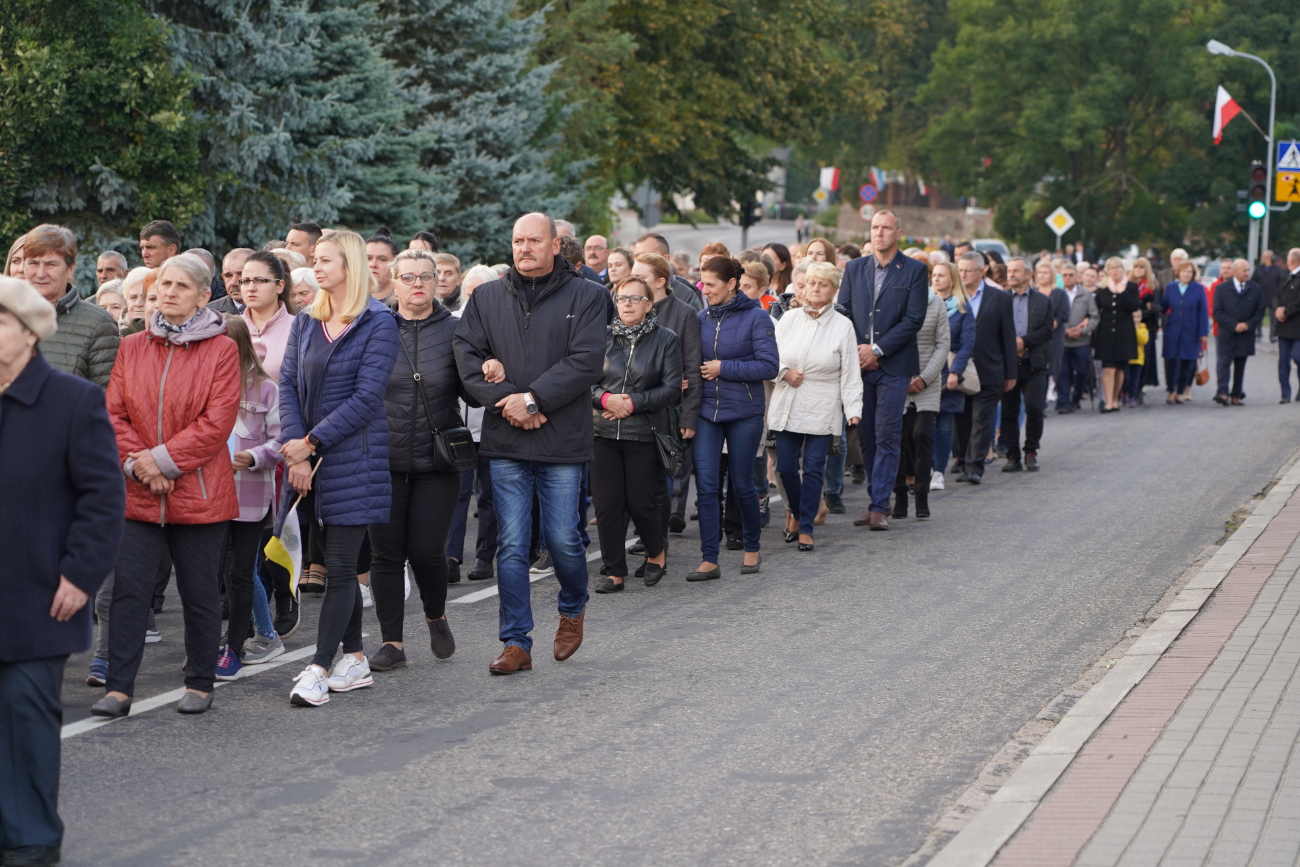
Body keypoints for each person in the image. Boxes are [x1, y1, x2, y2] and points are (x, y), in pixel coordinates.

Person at [0, 277, 124, 867]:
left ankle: (31, 838)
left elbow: (102, 498)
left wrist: (80, 575)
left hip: (41, 593)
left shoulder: (72, 401)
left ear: (29, 332)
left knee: (25, 716)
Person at [454, 213, 607, 675]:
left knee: (563, 539)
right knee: (513, 545)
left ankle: (572, 605)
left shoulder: (590, 296)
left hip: (562, 439)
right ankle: (516, 642)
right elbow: (466, 358)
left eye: (534, 241)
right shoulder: (486, 297)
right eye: (518, 240)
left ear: (556, 245)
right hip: (505, 441)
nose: (524, 248)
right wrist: (507, 402)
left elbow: (586, 363)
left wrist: (533, 399)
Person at [92, 253, 241, 719]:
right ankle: (119, 687)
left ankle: (199, 681)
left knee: (198, 592)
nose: (169, 293)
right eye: (163, 286)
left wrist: (159, 461)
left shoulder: (222, 349)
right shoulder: (133, 345)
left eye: (181, 286)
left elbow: (216, 423)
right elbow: (113, 413)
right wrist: (140, 467)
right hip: (137, 491)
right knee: (128, 592)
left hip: (198, 492)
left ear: (202, 294)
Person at [276, 229, 398, 706]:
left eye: (325, 259)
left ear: (349, 265)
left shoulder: (377, 322)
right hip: (309, 458)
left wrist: (311, 443)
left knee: (341, 568)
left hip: (354, 460)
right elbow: (288, 383)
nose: (315, 266)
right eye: (314, 259)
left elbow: (367, 398)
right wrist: (295, 444)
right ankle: (356, 657)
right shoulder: (307, 320)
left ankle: (318, 667)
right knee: (329, 560)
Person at [366, 249, 467, 672]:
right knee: (386, 554)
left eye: (427, 276)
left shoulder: (458, 331)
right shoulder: (374, 327)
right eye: (408, 278)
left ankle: (436, 615)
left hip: (436, 460)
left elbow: (474, 388)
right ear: (395, 281)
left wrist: (494, 370)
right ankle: (392, 642)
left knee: (427, 552)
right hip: (382, 459)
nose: (419, 284)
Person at [589, 275, 682, 592]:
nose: (626, 303)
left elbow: (671, 391)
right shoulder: (600, 337)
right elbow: (584, 381)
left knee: (642, 502)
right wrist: (604, 399)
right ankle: (614, 570)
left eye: (634, 298)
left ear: (649, 304)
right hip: (601, 433)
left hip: (643, 432)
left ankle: (656, 553)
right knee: (606, 505)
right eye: (621, 298)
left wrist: (632, 403)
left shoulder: (666, 339)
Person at [686, 256, 777, 579]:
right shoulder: (699, 318)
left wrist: (724, 367)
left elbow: (769, 367)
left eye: (710, 284)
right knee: (708, 486)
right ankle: (709, 558)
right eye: (702, 283)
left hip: (744, 413)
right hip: (708, 412)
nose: (704, 289)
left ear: (731, 284)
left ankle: (752, 548)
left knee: (742, 484)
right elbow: (692, 363)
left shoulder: (757, 318)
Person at [837, 210, 927, 528]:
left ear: (898, 233)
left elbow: (914, 319)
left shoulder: (915, 270)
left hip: (894, 364)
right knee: (868, 436)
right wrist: (857, 350)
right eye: (874, 227)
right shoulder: (854, 267)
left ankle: (879, 505)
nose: (879, 233)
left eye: (886, 228)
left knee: (888, 433)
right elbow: (843, 312)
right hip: (859, 365)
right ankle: (877, 499)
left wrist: (877, 349)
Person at [768, 263, 862, 548]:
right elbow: (769, 356)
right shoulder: (789, 319)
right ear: (804, 287)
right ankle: (798, 512)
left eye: (823, 284)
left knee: (812, 467)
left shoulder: (843, 326)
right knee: (784, 467)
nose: (816, 289)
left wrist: (853, 408)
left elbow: (850, 371)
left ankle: (806, 526)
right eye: (811, 283)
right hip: (788, 400)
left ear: (833, 291)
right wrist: (784, 372)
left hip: (823, 402)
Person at [212, 316, 285, 680]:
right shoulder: (202, 385)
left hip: (248, 495)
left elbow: (280, 440)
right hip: (206, 494)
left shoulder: (266, 389)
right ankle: (206, 644)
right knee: (209, 574)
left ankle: (234, 647)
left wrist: (255, 457)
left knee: (240, 573)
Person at [633, 253, 702, 536]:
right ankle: (644, 530)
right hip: (633, 408)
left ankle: (655, 537)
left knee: (662, 475)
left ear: (660, 281)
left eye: (642, 278)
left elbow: (692, 368)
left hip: (669, 410)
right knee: (636, 477)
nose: (635, 283)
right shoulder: (628, 307)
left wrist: (689, 416)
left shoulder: (683, 313)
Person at [446, 264, 500, 583]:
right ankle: (451, 556)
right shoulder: (452, 324)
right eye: (469, 292)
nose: (473, 298)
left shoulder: (503, 325)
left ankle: (484, 556)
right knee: (457, 493)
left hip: (493, 422)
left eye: (480, 292)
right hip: (460, 425)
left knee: (490, 495)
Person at [23, 224, 120, 388]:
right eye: (33, 263)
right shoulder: (7, 315)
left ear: (70, 270)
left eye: (51, 264)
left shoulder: (98, 324)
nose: (40, 273)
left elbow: (106, 401)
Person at [953, 251, 1016, 484]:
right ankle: (962, 460)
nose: (963, 274)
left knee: (982, 419)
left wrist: (1011, 373)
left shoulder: (999, 298)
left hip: (990, 370)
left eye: (968, 270)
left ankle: (974, 467)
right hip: (959, 371)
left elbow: (1008, 337)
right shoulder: (952, 297)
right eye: (960, 270)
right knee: (962, 420)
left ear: (982, 271)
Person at [893, 263, 950, 514]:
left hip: (928, 378)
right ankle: (901, 496)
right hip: (898, 377)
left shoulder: (936, 303)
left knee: (922, 434)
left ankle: (922, 496)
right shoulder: (895, 300)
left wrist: (925, 378)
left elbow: (943, 344)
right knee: (900, 438)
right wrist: (903, 376)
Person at [1000, 259, 1053, 471]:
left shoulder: (1042, 300)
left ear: (1029, 275)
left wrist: (1024, 342)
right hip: (1008, 365)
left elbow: (1048, 330)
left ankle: (1031, 451)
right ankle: (1012, 456)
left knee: (1034, 408)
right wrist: (1011, 344)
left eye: (1016, 271)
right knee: (1009, 411)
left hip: (1034, 364)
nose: (1011, 274)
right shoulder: (1001, 299)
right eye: (1009, 270)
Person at [931, 261, 973, 491]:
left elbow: (967, 344)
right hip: (926, 372)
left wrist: (956, 371)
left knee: (945, 425)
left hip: (949, 373)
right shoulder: (925, 303)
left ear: (952, 280)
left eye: (941, 275)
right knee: (924, 425)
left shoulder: (963, 307)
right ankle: (924, 467)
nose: (936, 279)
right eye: (934, 275)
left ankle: (938, 471)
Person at [1212, 258, 1265, 406]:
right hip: (1227, 333)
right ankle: (1222, 392)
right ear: (1235, 272)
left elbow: (1259, 311)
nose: (1247, 273)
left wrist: (1248, 325)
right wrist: (1234, 325)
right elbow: (1217, 312)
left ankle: (1236, 394)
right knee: (1224, 364)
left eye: (1248, 270)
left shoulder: (1255, 288)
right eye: (1244, 270)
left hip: (1245, 334)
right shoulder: (1221, 289)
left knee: (1240, 365)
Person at [1093, 258, 1142, 413]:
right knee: (1108, 368)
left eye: (1117, 267)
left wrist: (1123, 292)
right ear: (1107, 271)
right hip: (1106, 333)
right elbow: (1096, 308)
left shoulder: (1131, 287)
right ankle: (1108, 401)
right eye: (1111, 268)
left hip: (1124, 333)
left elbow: (1134, 306)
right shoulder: (1102, 288)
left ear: (1123, 269)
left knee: (1119, 369)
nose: (1114, 270)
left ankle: (1115, 400)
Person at [1162, 260, 1208, 404]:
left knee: (1187, 363)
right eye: (1183, 271)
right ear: (1178, 273)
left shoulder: (1198, 289)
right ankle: (1171, 391)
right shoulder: (1171, 287)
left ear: (1193, 274)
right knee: (1173, 362)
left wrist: (1203, 332)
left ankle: (1180, 392)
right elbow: (1163, 307)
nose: (1186, 274)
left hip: (1191, 332)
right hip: (1173, 331)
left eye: (1189, 272)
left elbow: (1203, 312)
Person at [1055, 263, 1099, 413]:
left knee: (1082, 371)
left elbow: (1094, 316)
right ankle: (1063, 402)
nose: (1068, 278)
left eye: (1070, 275)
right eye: (1064, 275)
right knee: (1062, 372)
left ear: (1077, 276)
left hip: (1081, 340)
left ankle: (1077, 396)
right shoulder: (1058, 294)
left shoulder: (1085, 294)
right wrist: (1064, 331)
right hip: (1062, 340)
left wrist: (1084, 330)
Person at [635, 233, 703, 311]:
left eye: (647, 256)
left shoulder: (686, 295)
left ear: (665, 259)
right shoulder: (625, 293)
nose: (639, 261)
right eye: (637, 256)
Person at [1130, 256, 1162, 392]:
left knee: (1146, 358)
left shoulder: (1153, 286)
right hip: (1131, 326)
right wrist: (1144, 309)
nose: (1138, 270)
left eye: (1141, 267)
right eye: (1136, 267)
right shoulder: (1128, 285)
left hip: (1148, 327)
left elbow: (1156, 307)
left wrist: (1142, 312)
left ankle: (1140, 387)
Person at [1274, 249, 1300, 402]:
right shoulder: (1286, 277)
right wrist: (1277, 309)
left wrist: (1285, 312)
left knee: (1297, 356)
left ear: (1291, 261)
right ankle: (1285, 393)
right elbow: (1276, 295)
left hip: (1297, 328)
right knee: (1283, 361)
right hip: (1284, 328)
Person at [1253, 250, 1285, 342]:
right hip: (1260, 296)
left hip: (1273, 297)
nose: (1262, 258)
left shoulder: (1277, 269)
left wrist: (1279, 294)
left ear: (1269, 258)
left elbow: (1281, 282)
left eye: (1264, 257)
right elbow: (1253, 281)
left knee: (1274, 317)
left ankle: (1273, 335)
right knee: (1259, 315)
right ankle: (1258, 334)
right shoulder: (1258, 269)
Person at [366, 229, 400, 306]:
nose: (373, 264)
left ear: (395, 264)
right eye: (368, 258)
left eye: (382, 259)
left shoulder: (402, 305)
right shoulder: (350, 301)